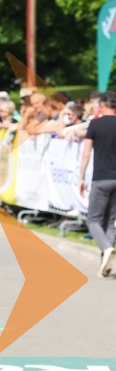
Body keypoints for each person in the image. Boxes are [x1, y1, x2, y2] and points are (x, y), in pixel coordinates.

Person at [80, 90, 116, 277]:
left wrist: (81, 176)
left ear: (102, 105)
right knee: (111, 220)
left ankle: (107, 248)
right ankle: (107, 260)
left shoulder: (95, 123)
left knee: (93, 219)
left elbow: (86, 152)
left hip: (101, 177)